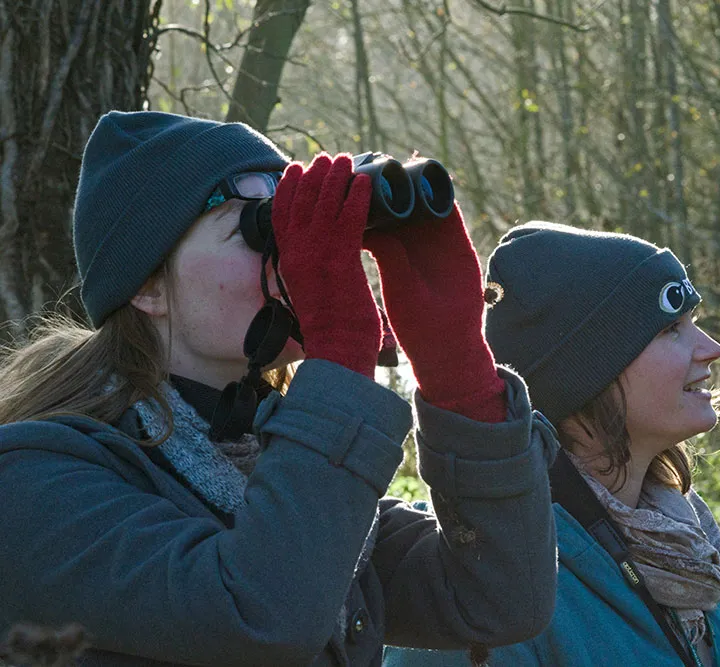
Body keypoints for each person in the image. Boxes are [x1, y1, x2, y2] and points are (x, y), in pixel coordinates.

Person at [0, 111, 558, 666]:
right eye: (264, 228)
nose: (298, 254)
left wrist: (456, 368)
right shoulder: (35, 486)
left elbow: (499, 599)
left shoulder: (283, 472)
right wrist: (340, 348)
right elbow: (261, 615)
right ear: (147, 286)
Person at [385, 222, 720, 667]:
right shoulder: (481, 581)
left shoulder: (682, 544)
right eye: (670, 329)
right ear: (587, 374)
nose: (712, 348)